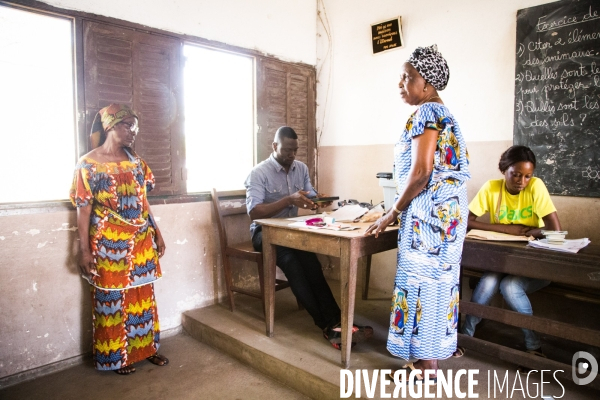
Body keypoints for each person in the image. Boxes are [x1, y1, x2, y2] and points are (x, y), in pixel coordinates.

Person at [365, 45, 470, 380]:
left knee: (420, 285)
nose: (401, 83)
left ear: (427, 84)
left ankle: (425, 366)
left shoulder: (426, 114)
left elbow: (422, 172)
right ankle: (430, 360)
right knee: (439, 284)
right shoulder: (447, 115)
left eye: (408, 77)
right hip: (448, 218)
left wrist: (392, 212)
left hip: (427, 218)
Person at [245, 126, 373, 350]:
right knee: (293, 265)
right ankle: (327, 326)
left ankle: (339, 321)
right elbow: (254, 212)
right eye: (286, 150)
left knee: (312, 265)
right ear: (274, 147)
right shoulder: (259, 173)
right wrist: (288, 200)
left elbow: (309, 194)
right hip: (263, 232)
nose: (291, 155)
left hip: (291, 229)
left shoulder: (300, 168)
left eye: (295, 150)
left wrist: (320, 200)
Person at [70, 104, 168, 375]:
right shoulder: (88, 164)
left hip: (140, 239)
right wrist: (84, 251)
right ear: (110, 126)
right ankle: (117, 358)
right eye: (128, 126)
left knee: (143, 296)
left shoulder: (136, 161)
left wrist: (157, 232)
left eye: (134, 127)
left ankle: (148, 349)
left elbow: (143, 201)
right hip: (108, 244)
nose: (133, 132)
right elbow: (84, 209)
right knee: (111, 299)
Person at [459, 145, 561, 359]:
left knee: (511, 286)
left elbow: (556, 230)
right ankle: (465, 337)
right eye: (515, 175)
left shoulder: (536, 187)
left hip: (533, 264)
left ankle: (534, 347)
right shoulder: (492, 188)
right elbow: (467, 221)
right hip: (502, 261)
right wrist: (507, 229)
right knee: (487, 282)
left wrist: (533, 231)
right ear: (504, 169)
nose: (521, 181)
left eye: (527, 176)